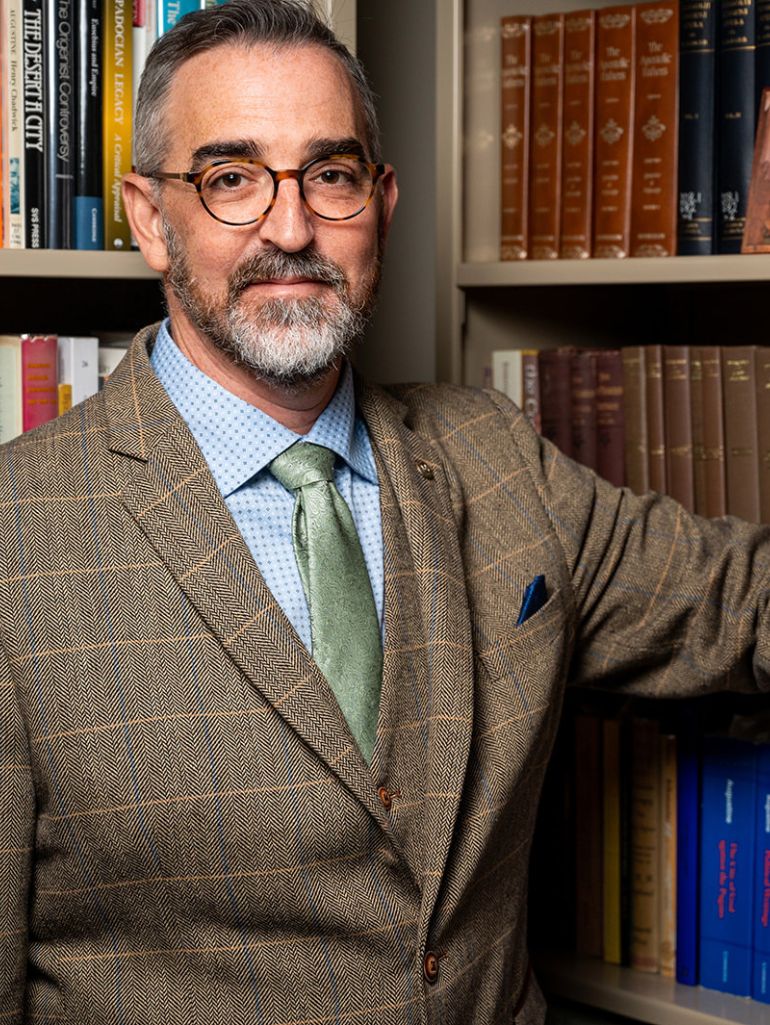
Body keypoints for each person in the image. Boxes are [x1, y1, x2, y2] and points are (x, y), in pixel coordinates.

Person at [1, 1, 769, 1022]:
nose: (290, 230)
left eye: (330, 174)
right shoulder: (16, 535)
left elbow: (737, 602)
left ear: (384, 200)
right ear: (149, 217)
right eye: (231, 178)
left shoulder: (494, 456)